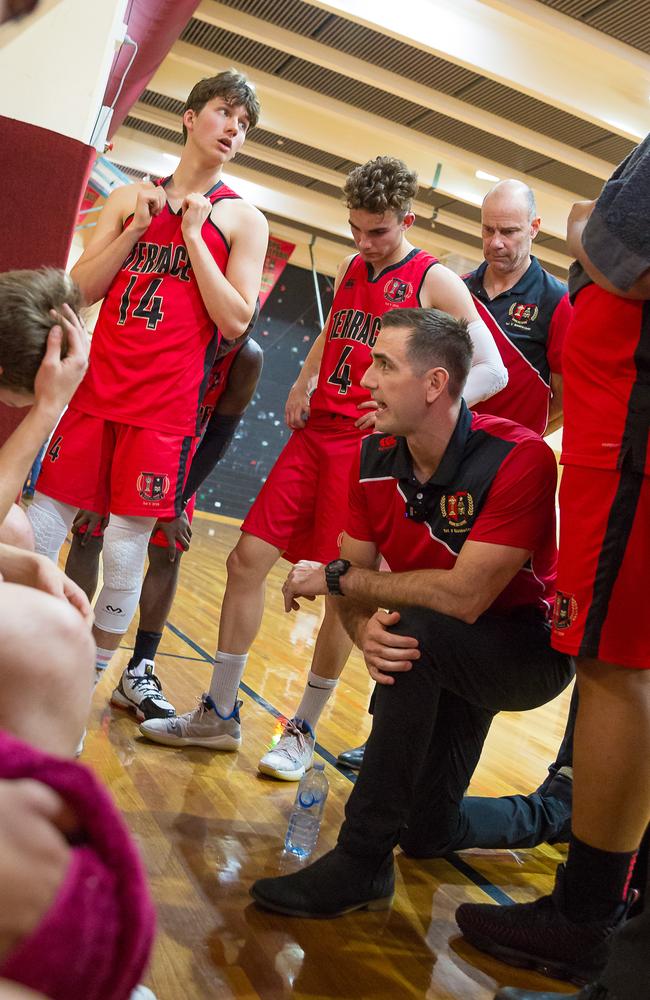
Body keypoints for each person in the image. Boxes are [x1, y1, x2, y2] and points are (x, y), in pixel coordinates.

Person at [139, 156, 508, 778]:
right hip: (313, 437)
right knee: (244, 559)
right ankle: (219, 713)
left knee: (341, 590)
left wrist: (408, 417)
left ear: (407, 220)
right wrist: (304, 380)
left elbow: (492, 370)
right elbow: (336, 327)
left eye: (378, 232)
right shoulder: (352, 265)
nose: (364, 242)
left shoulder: (434, 279)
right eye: (356, 229)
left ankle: (303, 731)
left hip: (365, 454)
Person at [248, 306, 573, 916]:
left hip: (524, 648)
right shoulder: (372, 457)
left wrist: (344, 581)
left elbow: (463, 596)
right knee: (428, 831)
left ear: (435, 385)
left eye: (383, 364)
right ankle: (558, 812)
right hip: (445, 642)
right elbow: (352, 587)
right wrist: (362, 625)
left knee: (413, 633)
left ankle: (361, 860)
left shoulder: (519, 457)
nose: (365, 379)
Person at [455, 136, 650, 999]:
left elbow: (615, 248)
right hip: (622, 430)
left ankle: (585, 912)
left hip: (632, 432)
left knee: (617, 663)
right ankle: (615, 902)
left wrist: (582, 229)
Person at [26, 71, 268, 708]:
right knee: (45, 524)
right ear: (190, 118)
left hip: (164, 409)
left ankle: (81, 694)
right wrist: (134, 231)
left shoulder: (243, 219)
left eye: (244, 126)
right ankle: (22, 654)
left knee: (127, 545)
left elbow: (237, 321)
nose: (233, 131)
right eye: (223, 114)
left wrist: (193, 237)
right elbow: (78, 290)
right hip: (94, 391)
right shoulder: (131, 196)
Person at [338, 179, 574, 798]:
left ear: (535, 230)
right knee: (409, 602)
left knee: (434, 611)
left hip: (501, 478)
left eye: (510, 232)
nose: (496, 243)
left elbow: (563, 393)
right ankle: (391, 738)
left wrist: (483, 440)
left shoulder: (554, 301)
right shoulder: (458, 293)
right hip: (440, 466)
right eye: (487, 230)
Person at [65, 337, 263, 721]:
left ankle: (139, 669)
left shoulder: (246, 358)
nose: (233, 336)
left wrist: (176, 502)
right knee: (89, 533)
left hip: (173, 456)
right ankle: (67, 646)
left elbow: (219, 436)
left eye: (245, 326)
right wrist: (98, 487)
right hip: (119, 435)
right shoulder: (179, 332)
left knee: (169, 549)